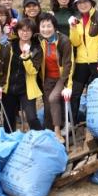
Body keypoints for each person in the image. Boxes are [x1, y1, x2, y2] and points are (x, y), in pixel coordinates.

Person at [69, 0, 98, 124]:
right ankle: (72, 122)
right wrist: (73, 28)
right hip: (81, 62)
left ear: (91, 2)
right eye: (79, 2)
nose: (82, 4)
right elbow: (75, 42)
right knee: (75, 93)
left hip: (97, 62)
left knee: (97, 93)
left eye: (85, 1)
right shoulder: (77, 20)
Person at [1, 18, 43, 132]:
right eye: (22, 30)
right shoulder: (10, 45)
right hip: (9, 88)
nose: (25, 33)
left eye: (28, 31)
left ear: (33, 32)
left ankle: (42, 139)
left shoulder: (36, 49)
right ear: (17, 31)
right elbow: (2, 66)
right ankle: (10, 143)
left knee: (32, 118)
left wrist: (26, 57)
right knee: (8, 119)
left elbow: (33, 71)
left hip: (26, 89)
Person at [38, 13, 74, 142]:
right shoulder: (40, 40)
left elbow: (68, 64)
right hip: (47, 78)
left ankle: (58, 132)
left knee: (53, 99)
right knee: (47, 107)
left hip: (61, 77)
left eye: (49, 26)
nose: (46, 29)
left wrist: (66, 83)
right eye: (43, 26)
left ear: (55, 27)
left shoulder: (63, 41)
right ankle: (50, 134)